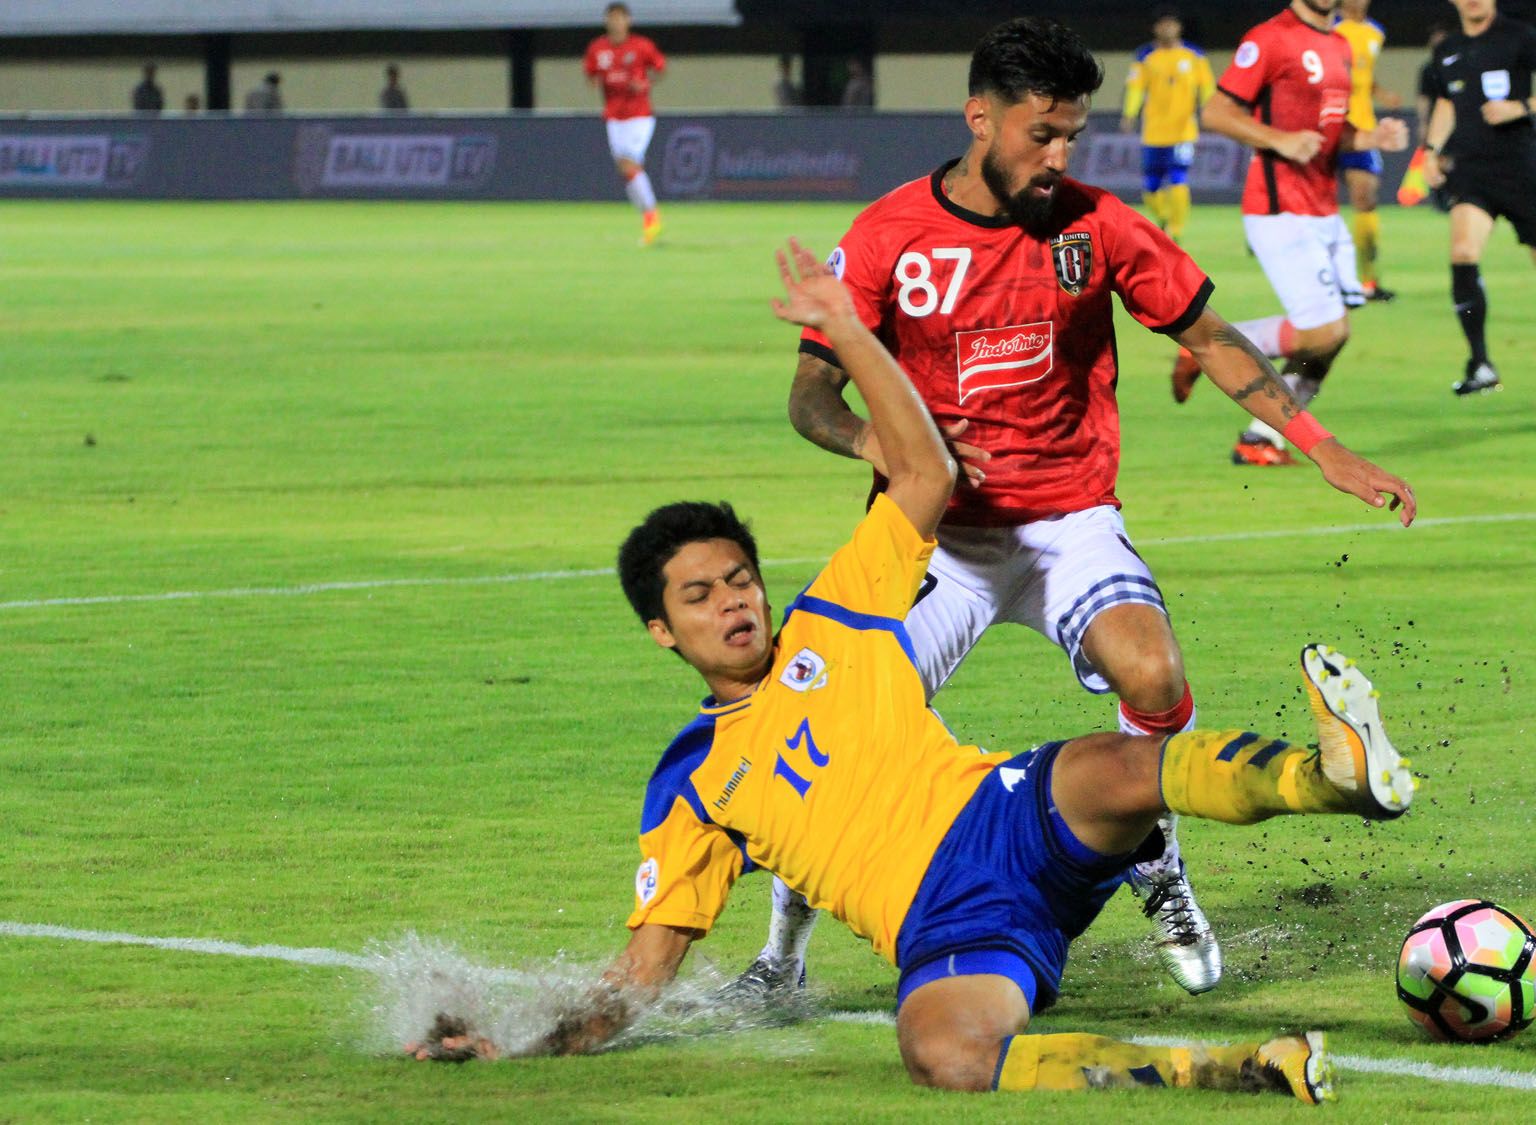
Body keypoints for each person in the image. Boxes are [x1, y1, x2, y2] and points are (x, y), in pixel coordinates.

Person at [404, 237, 1422, 1105]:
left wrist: (850, 332)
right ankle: (1236, 1071)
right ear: (662, 632)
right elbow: (640, 972)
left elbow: (926, 472)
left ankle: (1331, 776)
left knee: (1117, 764)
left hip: (1006, 816)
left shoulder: (834, 614)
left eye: (739, 580)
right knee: (943, 1053)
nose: (733, 604)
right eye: (700, 596)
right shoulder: (691, 781)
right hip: (946, 923)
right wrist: (517, 1049)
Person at [766, 16, 1415, 1003]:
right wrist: (875, 444)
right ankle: (780, 957)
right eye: (1042, 134)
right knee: (828, 725)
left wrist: (1320, 445)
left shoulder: (1098, 224)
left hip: (1068, 520)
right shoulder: (888, 236)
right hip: (936, 537)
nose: (1060, 156)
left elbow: (1209, 335)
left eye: (1072, 135)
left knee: (1152, 670)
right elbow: (810, 393)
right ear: (980, 118)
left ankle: (1158, 865)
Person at [1172, 0, 1410, 467]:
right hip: (1279, 207)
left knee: (1333, 338)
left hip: (1324, 211)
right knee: (1323, 330)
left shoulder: (1340, 44)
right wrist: (1278, 139)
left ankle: (1260, 439)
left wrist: (1371, 138)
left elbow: (1333, 132)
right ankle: (1211, 343)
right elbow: (1216, 113)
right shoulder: (1270, 38)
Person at [1422, 0, 1536, 395]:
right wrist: (1431, 151)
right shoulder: (1447, 49)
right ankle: (1480, 365)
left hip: (1522, 174)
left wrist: (1521, 107)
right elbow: (1446, 102)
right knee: (1463, 253)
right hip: (1472, 174)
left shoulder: (1519, 37)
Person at [1120, 6, 1216, 243]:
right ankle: (1163, 216)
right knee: (1150, 188)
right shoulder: (1145, 56)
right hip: (1153, 132)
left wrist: (1209, 109)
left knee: (1178, 178)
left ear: (1179, 27)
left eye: (1171, 24)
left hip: (1183, 131)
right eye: (1163, 24)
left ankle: (1176, 229)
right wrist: (1129, 113)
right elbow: (1135, 88)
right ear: (1155, 28)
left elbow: (1206, 86)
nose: (1167, 28)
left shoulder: (1194, 55)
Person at [1333, 0, 1403, 301]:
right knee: (1312, 206)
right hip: (1327, 125)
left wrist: (1381, 93)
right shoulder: (1329, 28)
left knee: (1366, 199)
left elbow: (1363, 74)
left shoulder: (1376, 32)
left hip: (1362, 128)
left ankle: (1368, 281)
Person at [583, 1, 668, 247]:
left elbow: (660, 68)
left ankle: (651, 216)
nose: (616, 22)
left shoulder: (641, 46)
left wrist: (645, 84)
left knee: (629, 163)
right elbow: (591, 75)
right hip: (614, 116)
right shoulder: (598, 48)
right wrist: (597, 82)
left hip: (639, 115)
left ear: (628, 21)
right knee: (626, 170)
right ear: (606, 21)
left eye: (620, 18)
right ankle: (647, 217)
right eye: (612, 18)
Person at [1397, 22, 1454, 210]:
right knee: (1436, 158)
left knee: (1451, 160)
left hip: (1456, 120)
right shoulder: (1428, 69)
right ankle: (1440, 199)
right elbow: (1423, 98)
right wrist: (1422, 123)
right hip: (1435, 121)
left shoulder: (1456, 66)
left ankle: (1454, 195)